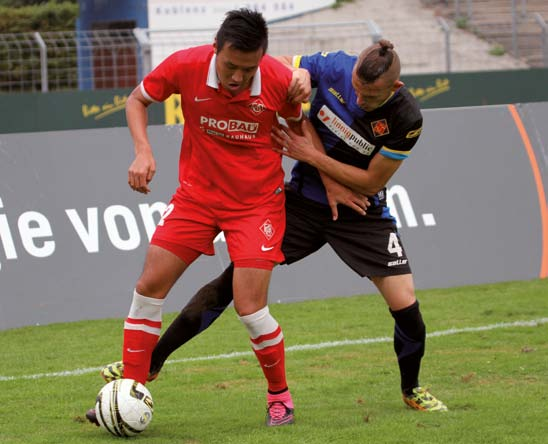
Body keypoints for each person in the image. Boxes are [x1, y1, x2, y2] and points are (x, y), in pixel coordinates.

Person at [99, 39, 448, 413]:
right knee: (232, 286)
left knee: (405, 304)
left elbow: (369, 182)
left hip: (360, 211)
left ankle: (411, 389)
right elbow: (282, 65)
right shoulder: (336, 67)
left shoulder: (407, 117)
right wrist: (298, 75)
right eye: (358, 91)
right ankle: (152, 362)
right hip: (301, 203)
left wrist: (310, 155)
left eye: (372, 97)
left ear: (394, 88)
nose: (360, 101)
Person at [86, 8, 304, 428]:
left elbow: (300, 130)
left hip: (256, 204)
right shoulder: (186, 64)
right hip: (197, 198)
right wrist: (143, 150)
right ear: (215, 49)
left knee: (250, 307)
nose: (238, 77)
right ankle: (133, 390)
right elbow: (137, 99)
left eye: (247, 68)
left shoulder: (277, 79)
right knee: (148, 288)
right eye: (230, 66)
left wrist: (323, 174)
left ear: (261, 58)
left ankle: (280, 396)